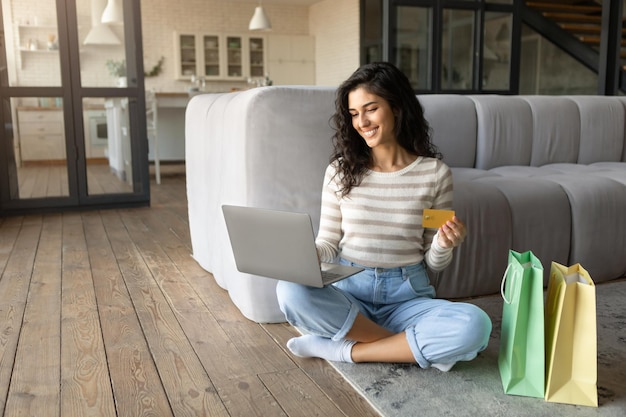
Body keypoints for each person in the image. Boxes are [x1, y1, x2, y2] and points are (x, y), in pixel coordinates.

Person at [276, 62, 492, 371]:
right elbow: (327, 244)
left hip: (408, 297)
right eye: (353, 114)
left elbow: (435, 262)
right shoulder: (339, 171)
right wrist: (305, 256)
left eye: (371, 109)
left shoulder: (434, 174)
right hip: (351, 293)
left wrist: (445, 244)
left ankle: (344, 350)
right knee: (289, 290)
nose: (361, 122)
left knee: (476, 325)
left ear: (397, 107)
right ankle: (403, 345)